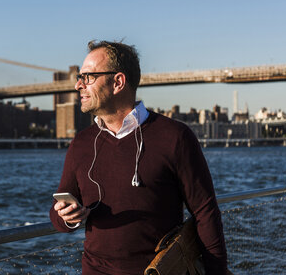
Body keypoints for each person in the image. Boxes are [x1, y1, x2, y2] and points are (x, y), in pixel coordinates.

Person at [49, 40, 228, 274]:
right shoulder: (81, 143)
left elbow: (206, 213)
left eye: (88, 77)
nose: (78, 85)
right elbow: (57, 215)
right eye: (79, 77)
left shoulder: (175, 137)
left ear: (118, 82)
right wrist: (68, 216)